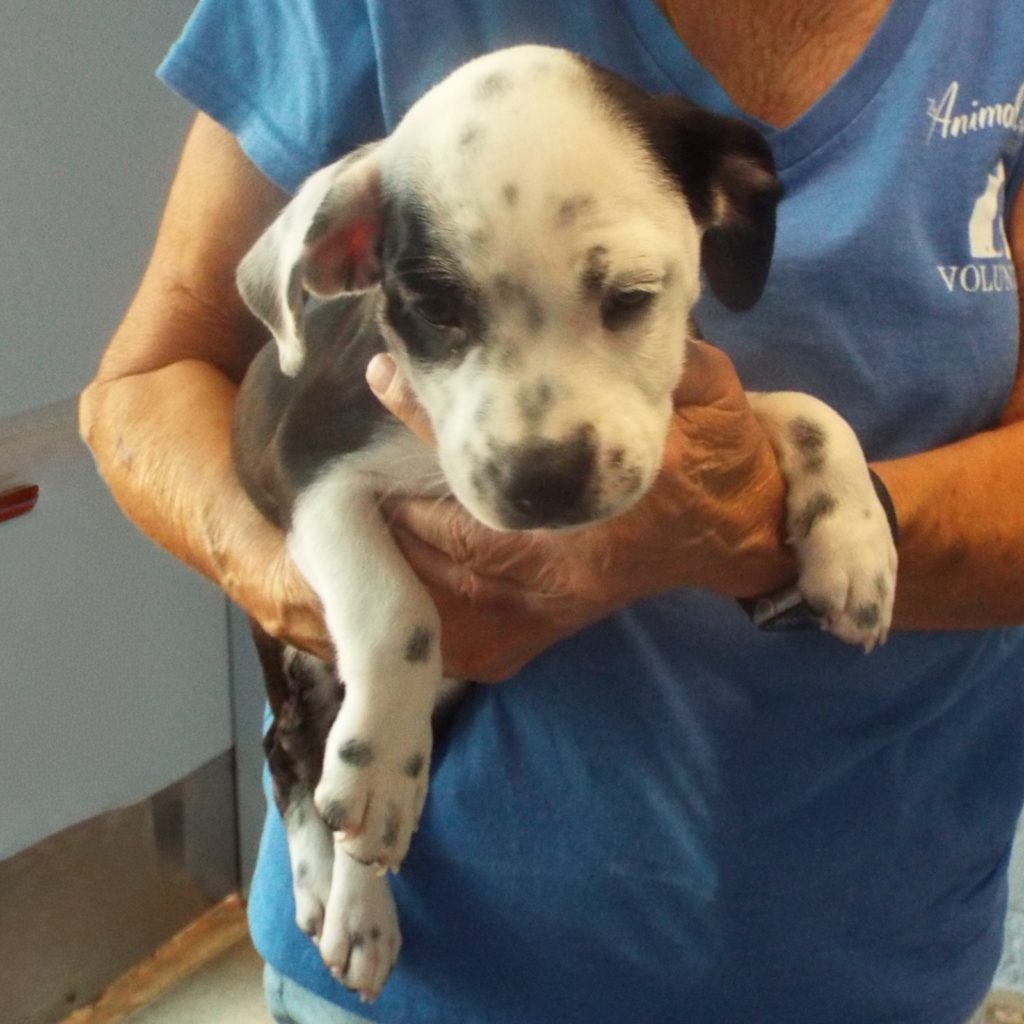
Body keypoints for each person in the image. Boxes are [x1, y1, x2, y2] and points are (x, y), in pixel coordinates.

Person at [78, 1, 1024, 1022]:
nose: (539, 444)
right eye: (450, 316)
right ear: (346, 259)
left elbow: (741, 447)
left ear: (728, 215)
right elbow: (150, 379)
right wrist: (321, 605)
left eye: (623, 301)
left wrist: (763, 524)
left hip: (866, 959)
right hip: (441, 967)